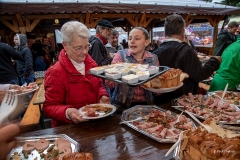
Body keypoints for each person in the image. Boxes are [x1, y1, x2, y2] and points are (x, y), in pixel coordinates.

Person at [43, 21, 110, 127]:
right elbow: (49, 107)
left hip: (94, 125)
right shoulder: (55, 72)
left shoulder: (92, 64)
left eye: (87, 46)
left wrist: (102, 95)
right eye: (78, 48)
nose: (84, 52)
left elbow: (99, 85)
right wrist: (67, 112)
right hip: (69, 129)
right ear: (65, 45)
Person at [153, 14, 221, 104]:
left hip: (161, 101)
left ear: (165, 33)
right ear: (182, 32)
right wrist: (215, 61)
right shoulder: (187, 51)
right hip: (184, 101)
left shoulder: (155, 52)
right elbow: (199, 75)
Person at [106, 27, 159, 111]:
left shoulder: (153, 58)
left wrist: (159, 86)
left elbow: (157, 89)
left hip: (147, 106)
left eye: (137, 38)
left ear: (146, 42)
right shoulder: (121, 55)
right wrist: (118, 72)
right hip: (122, 107)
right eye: (130, 38)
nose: (132, 41)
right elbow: (109, 84)